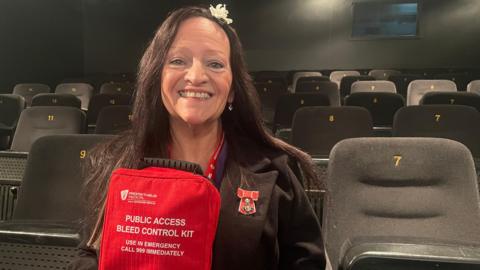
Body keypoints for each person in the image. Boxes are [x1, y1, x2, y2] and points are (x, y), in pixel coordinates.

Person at [69, 5, 325, 270]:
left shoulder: (276, 171)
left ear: (233, 90)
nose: (196, 76)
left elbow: (307, 262)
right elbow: (88, 253)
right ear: (157, 77)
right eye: (178, 61)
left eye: (215, 64)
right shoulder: (117, 163)